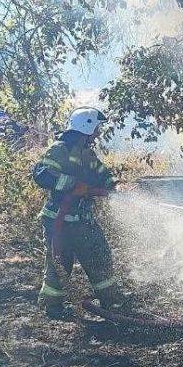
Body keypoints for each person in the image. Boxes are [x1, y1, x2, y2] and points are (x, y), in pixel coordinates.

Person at [32, 107, 125, 319]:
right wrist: (73, 185)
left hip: (82, 218)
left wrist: (115, 187)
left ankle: (110, 300)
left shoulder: (87, 153)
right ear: (87, 126)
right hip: (59, 219)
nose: (98, 132)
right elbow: (43, 175)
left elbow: (103, 174)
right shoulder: (59, 150)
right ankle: (52, 306)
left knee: (98, 255)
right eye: (96, 128)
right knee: (59, 262)